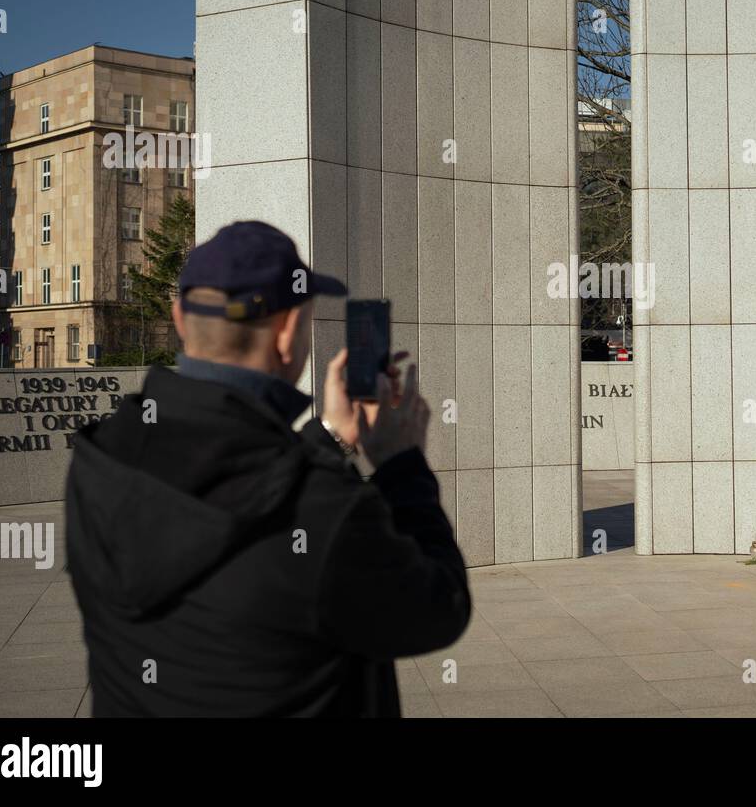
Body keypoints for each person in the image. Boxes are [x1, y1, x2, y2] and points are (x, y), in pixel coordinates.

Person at [65, 220, 470, 716]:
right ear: (286, 333)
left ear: (178, 317)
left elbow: (239, 488)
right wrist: (400, 462)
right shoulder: (327, 510)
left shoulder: (102, 455)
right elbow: (438, 608)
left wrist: (330, 436)